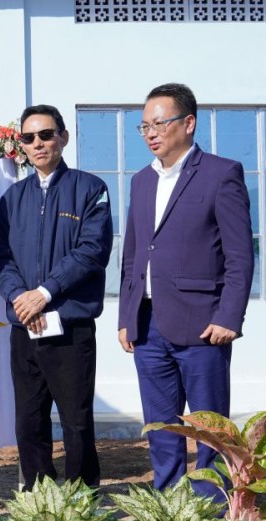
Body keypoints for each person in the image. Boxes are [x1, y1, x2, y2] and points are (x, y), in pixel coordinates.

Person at [118, 83, 253, 496]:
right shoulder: (141, 180)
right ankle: (170, 505)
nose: (151, 132)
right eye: (144, 126)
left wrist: (229, 316)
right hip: (148, 325)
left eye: (160, 122)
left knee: (210, 429)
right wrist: (126, 317)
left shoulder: (221, 173)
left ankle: (212, 507)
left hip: (203, 326)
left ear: (189, 123)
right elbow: (133, 253)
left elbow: (240, 254)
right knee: (161, 427)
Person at [0, 105, 113, 490]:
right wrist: (20, 297)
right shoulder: (13, 197)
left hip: (70, 326)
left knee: (76, 420)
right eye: (29, 138)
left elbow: (91, 252)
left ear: (63, 137)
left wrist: (44, 293)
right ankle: (38, 492)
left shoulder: (90, 189)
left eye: (46, 134)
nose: (38, 143)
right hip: (25, 327)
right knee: (28, 418)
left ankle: (81, 494)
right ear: (20, 144)